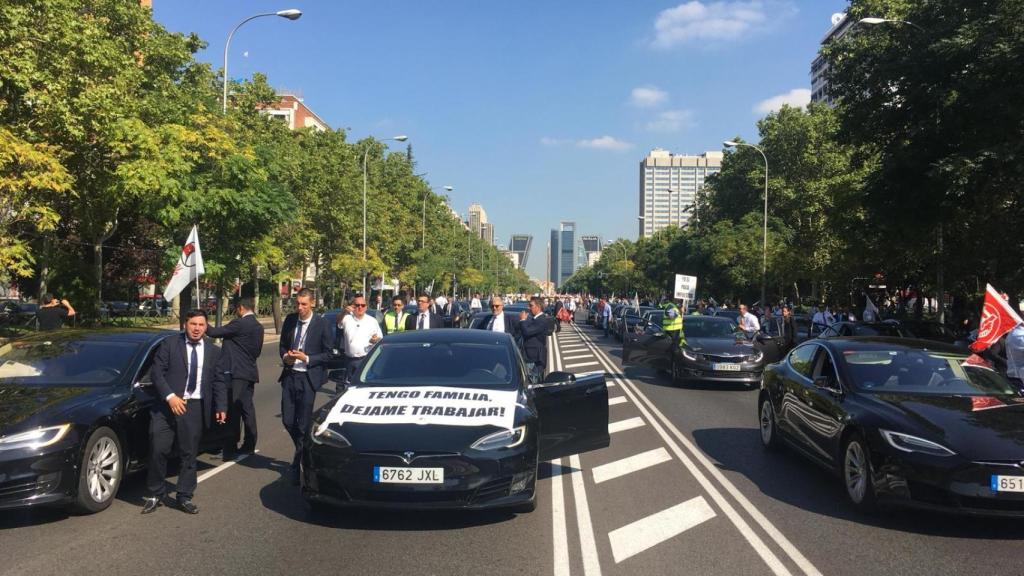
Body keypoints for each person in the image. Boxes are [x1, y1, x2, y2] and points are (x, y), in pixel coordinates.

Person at [142, 309, 227, 515]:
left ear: (206, 327)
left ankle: (184, 495)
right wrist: (170, 397)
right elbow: (157, 373)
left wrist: (221, 406)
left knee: (189, 454)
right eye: (193, 324)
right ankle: (155, 493)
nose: (197, 328)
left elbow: (218, 380)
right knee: (158, 448)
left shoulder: (213, 351)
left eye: (201, 325)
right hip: (167, 406)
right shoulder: (170, 345)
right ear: (185, 325)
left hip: (194, 406)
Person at [278, 288, 333, 486]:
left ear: (312, 304)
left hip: (308, 378)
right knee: (287, 419)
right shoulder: (291, 321)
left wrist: (307, 358)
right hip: (290, 375)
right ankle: (301, 449)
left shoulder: (322, 324)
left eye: (304, 304)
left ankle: (298, 462)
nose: (300, 308)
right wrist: (286, 357)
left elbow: (329, 354)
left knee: (303, 424)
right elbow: (283, 346)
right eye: (298, 304)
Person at [205, 297, 263, 458]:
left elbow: (213, 332)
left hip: (236, 373)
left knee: (232, 410)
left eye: (236, 309)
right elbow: (256, 352)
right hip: (249, 372)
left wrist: (202, 321)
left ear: (241, 308)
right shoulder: (258, 326)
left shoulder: (239, 324)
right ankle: (249, 444)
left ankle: (230, 448)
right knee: (247, 409)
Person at [341, 293, 383, 383]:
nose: (360, 307)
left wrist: (375, 340)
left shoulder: (372, 321)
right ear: (353, 306)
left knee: (364, 384)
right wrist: (344, 311)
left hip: (365, 359)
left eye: (363, 305)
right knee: (349, 385)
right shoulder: (347, 318)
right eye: (357, 305)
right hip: (349, 360)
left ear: (366, 307)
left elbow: (380, 338)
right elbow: (338, 322)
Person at [519, 297, 553, 382]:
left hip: (534, 358)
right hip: (530, 356)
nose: (528, 308)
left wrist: (522, 320)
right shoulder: (535, 319)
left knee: (533, 382)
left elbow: (527, 332)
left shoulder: (541, 320)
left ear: (538, 307)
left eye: (531, 305)